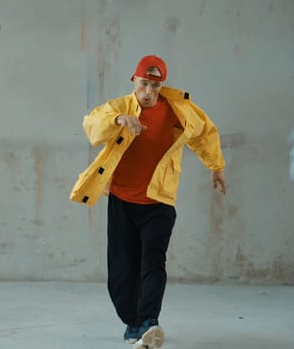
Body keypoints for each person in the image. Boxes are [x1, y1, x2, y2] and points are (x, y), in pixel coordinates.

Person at [69, 55, 226, 348]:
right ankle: (133, 323)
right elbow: (92, 123)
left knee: (153, 263)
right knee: (121, 270)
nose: (149, 92)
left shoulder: (178, 110)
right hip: (122, 201)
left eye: (155, 85)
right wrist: (118, 119)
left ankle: (149, 322)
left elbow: (205, 132)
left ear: (161, 85)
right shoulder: (120, 108)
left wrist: (215, 166)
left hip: (159, 203)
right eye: (144, 84)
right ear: (134, 81)